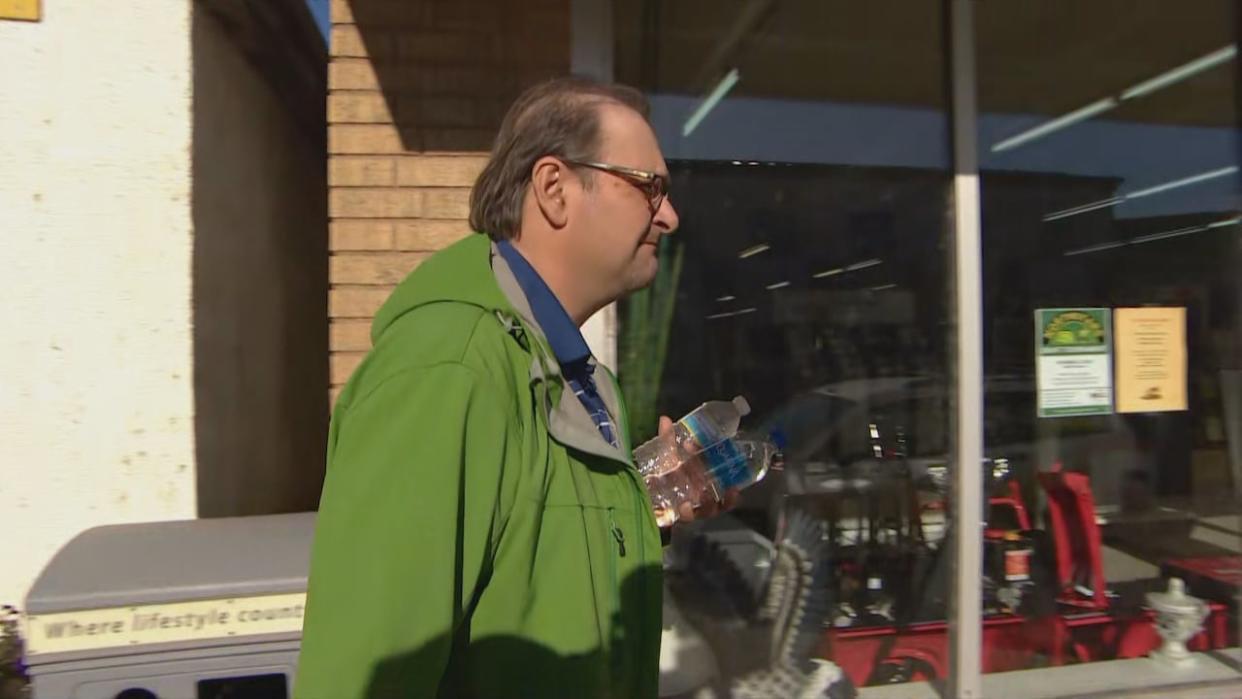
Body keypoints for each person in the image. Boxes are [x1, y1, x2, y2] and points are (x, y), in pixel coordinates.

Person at [295, 77, 736, 699]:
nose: (669, 214)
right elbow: (364, 676)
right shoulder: (448, 367)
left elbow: (529, 553)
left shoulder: (580, 378)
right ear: (554, 189)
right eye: (649, 187)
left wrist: (646, 506)